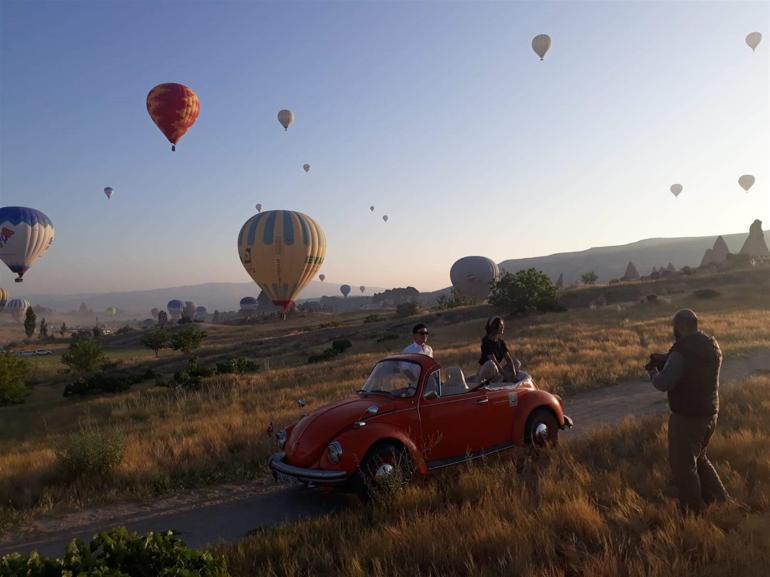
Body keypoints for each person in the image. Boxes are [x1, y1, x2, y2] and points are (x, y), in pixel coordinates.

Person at [646, 309, 730, 512]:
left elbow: (663, 383)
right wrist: (666, 357)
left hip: (687, 418)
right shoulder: (711, 345)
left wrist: (652, 370)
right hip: (710, 413)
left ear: (680, 327)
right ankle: (721, 500)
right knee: (700, 458)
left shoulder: (681, 352)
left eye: (675, 327)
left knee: (683, 467)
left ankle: (693, 511)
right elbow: (690, 363)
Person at [477, 316, 521, 382]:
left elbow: (509, 359)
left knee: (516, 363)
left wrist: (514, 374)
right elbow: (494, 361)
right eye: (501, 325)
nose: (503, 327)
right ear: (494, 327)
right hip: (487, 371)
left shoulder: (501, 342)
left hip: (497, 370)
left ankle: (501, 378)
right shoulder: (486, 341)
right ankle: (500, 379)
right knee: (491, 364)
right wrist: (505, 375)